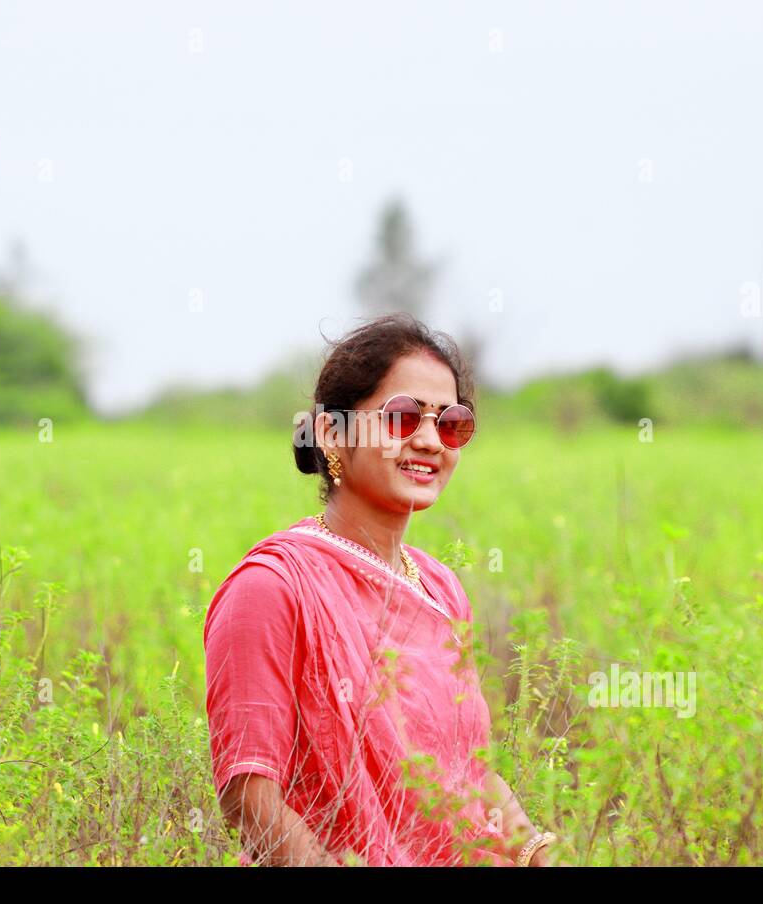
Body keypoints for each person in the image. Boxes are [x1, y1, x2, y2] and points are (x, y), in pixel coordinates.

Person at [203, 313, 560, 866]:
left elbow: (472, 773)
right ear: (331, 433)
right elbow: (248, 797)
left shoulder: (440, 588)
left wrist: (535, 850)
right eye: (401, 417)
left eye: (451, 423)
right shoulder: (272, 586)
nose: (428, 441)